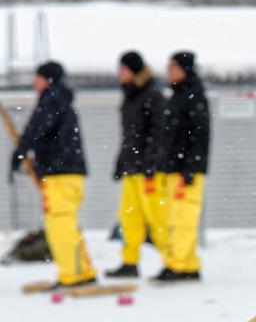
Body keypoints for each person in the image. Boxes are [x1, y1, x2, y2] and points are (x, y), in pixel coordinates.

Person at [9, 61, 96, 288]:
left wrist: (20, 151)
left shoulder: (52, 100)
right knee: (67, 224)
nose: (33, 82)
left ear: (47, 79)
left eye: (36, 77)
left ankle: (73, 275)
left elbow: (37, 129)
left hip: (61, 175)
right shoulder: (58, 100)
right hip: (64, 173)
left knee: (60, 225)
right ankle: (83, 270)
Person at [106, 51, 166, 278]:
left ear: (134, 70)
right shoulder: (130, 97)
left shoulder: (153, 95)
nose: (119, 74)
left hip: (149, 171)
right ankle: (129, 262)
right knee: (128, 217)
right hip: (132, 169)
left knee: (157, 217)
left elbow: (159, 133)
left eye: (123, 69)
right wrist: (120, 163)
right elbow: (129, 137)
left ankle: (174, 262)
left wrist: (152, 162)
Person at [151, 51, 210, 282]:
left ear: (185, 69)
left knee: (183, 219)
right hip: (173, 169)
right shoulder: (177, 95)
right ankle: (189, 265)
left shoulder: (194, 96)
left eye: (173, 67)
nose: (169, 71)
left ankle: (176, 265)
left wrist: (191, 168)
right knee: (174, 218)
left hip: (187, 172)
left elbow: (200, 135)